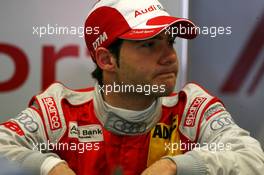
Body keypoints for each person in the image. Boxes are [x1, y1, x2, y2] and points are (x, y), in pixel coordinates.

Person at [0, 0, 264, 174]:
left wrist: (176, 166)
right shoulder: (58, 109)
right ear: (106, 59)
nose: (170, 56)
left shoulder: (192, 109)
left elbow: (253, 158)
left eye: (169, 41)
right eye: (149, 44)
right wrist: (47, 166)